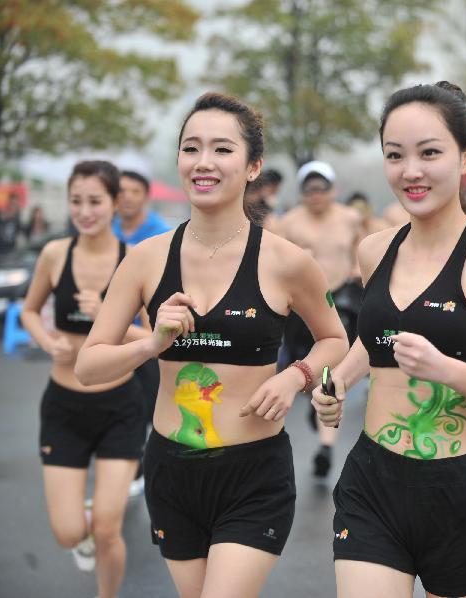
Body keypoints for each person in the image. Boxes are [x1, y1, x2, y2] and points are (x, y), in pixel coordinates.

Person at [75, 92, 349, 598]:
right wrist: (151, 344)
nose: (203, 162)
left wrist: (295, 377)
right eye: (191, 148)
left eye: (222, 149)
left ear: (252, 166)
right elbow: (89, 367)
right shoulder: (144, 259)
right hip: (171, 471)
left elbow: (335, 339)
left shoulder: (288, 261)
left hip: (254, 473)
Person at [313, 80, 466, 598]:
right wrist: (336, 381)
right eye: (395, 156)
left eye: (429, 153)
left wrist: (445, 368)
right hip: (374, 481)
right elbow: (375, 342)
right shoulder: (374, 251)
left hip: (465, 491)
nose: (410, 171)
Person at [20, 160, 149, 597]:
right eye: (77, 201)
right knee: (68, 532)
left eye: (95, 201)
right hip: (64, 405)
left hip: (120, 406)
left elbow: (155, 338)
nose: (85, 210)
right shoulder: (56, 254)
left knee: (109, 530)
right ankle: (85, 527)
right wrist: (45, 340)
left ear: (116, 203)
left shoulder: (135, 260)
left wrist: (107, 319)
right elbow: (29, 311)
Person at [272, 160, 363, 478]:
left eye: (321, 188)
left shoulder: (349, 218)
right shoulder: (289, 222)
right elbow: (274, 261)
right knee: (305, 368)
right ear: (302, 193)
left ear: (332, 189)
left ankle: (326, 444)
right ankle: (316, 403)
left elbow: (361, 250)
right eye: (309, 189)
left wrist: (357, 268)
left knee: (333, 370)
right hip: (300, 306)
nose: (316, 195)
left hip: (339, 300)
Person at [114, 170, 174, 498]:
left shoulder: (161, 235)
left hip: (150, 331)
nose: (126, 197)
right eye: (120, 191)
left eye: (133, 191)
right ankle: (128, 461)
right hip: (112, 332)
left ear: (145, 195)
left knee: (149, 402)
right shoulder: (104, 232)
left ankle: (145, 464)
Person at [113, 171, 172, 245]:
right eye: (121, 191)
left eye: (136, 192)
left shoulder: (164, 235)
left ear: (147, 197)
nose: (128, 197)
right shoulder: (107, 230)